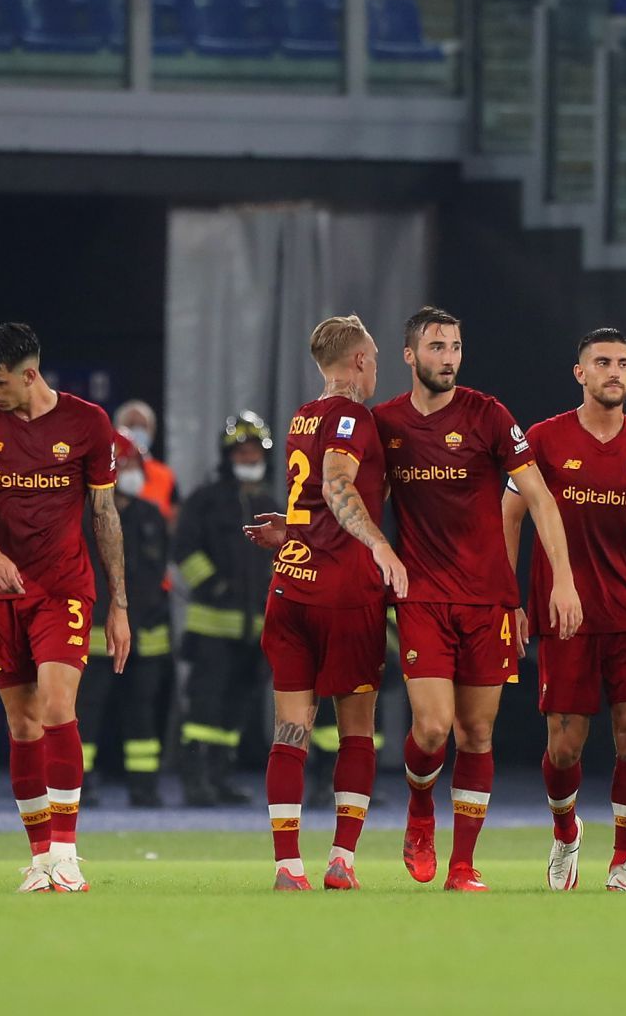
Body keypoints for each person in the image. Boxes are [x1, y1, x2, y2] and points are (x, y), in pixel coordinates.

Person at [372, 305, 582, 892]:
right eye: (437, 347)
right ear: (411, 356)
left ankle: (463, 865)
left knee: (478, 734)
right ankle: (419, 809)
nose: (449, 358)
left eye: (456, 347)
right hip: (422, 598)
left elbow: (539, 499)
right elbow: (358, 500)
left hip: (488, 601)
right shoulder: (385, 423)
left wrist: (561, 580)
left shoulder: (489, 416)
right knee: (434, 728)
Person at [500, 328, 626, 893]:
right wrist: (509, 598)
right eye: (603, 363)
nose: (616, 372)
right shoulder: (542, 438)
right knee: (564, 745)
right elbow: (510, 515)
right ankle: (566, 834)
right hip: (565, 614)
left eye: (624, 363)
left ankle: (623, 862)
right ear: (580, 373)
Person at [0, 322, 129, 893]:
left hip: (62, 588)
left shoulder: (87, 423)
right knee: (22, 724)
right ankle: (40, 859)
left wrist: (119, 603)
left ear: (31, 375)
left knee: (56, 706)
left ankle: (67, 854)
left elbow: (104, 515)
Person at [237, 315, 405, 892]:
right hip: (345, 595)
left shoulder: (302, 416)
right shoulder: (354, 417)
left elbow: (314, 505)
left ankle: (287, 867)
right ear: (358, 360)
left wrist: (288, 531)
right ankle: (341, 863)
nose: (378, 367)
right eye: (376, 357)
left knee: (291, 731)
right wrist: (381, 544)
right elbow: (337, 484)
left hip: (289, 586)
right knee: (356, 731)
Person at [172, 410, 278, 807]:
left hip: (256, 628)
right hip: (212, 626)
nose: (250, 458)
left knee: (236, 708)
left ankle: (220, 777)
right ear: (228, 455)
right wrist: (214, 584)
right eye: (243, 451)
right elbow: (183, 549)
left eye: (255, 452)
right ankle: (195, 779)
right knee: (205, 704)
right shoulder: (206, 500)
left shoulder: (269, 502)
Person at [76, 433, 171, 809]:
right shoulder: (87, 512)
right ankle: (80, 786)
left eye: (135, 466)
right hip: (99, 629)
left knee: (143, 714)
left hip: (147, 632)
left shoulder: (150, 515)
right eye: (126, 465)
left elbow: (159, 569)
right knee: (87, 710)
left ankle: (144, 786)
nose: (131, 473)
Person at [113, 399, 177, 524]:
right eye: (131, 424)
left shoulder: (165, 475)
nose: (137, 430)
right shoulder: (102, 472)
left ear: (152, 431)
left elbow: (173, 520)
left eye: (143, 426)